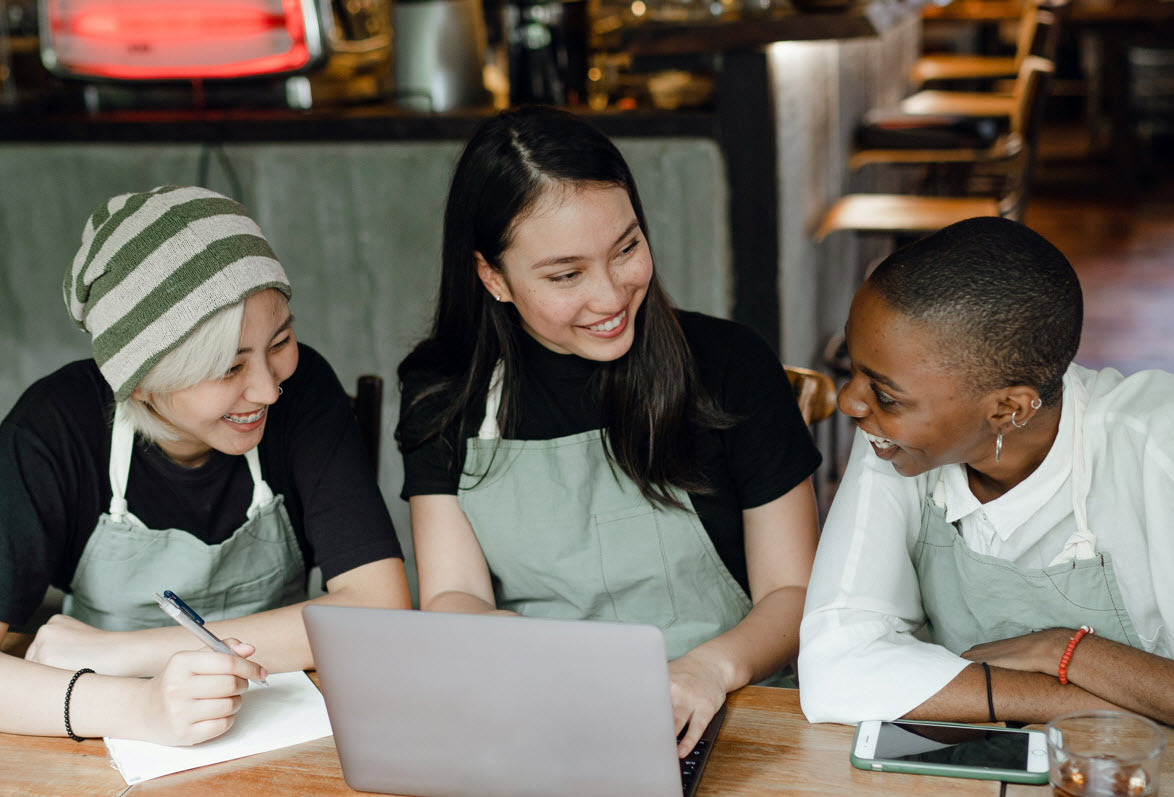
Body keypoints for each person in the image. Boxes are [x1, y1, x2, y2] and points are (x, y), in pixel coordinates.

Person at [395, 105, 821, 756]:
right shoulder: (444, 392)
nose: (611, 296)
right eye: (566, 274)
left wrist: (708, 670)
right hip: (537, 712)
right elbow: (454, 593)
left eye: (626, 247)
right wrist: (544, 664)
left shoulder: (730, 365)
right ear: (492, 277)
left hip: (734, 710)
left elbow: (793, 593)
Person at [0, 185, 410, 742]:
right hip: (106, 745)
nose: (267, 389)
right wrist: (141, 707)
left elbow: (379, 613)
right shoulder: (54, 428)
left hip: (282, 729)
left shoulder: (304, 390)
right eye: (227, 368)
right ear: (140, 381)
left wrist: (118, 653)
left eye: (280, 340)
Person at [799, 216, 1174, 727]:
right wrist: (1123, 704)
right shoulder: (894, 438)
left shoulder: (1155, 447)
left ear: (1010, 409)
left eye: (884, 393)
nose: (850, 402)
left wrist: (1064, 651)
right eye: (854, 366)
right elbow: (834, 670)